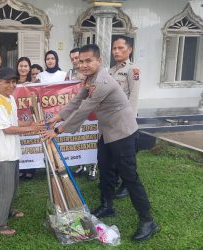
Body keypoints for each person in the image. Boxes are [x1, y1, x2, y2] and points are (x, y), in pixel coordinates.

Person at [42, 44, 158, 241]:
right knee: (105, 169)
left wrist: (57, 130)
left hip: (122, 132)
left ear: (99, 61)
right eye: (81, 61)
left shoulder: (103, 81)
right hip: (107, 132)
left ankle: (148, 221)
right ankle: (107, 206)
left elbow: (84, 109)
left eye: (89, 61)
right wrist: (58, 117)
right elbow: (78, 100)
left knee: (129, 177)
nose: (84, 65)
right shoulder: (90, 78)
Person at [0, 68, 42, 236]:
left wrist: (30, 123)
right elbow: (7, 129)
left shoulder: (10, 98)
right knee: (4, 189)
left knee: (12, 186)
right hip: (4, 153)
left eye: (14, 82)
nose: (11, 85)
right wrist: (31, 129)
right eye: (7, 82)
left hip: (13, 151)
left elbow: (14, 121)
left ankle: (8, 210)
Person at [109, 35, 141, 199]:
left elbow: (133, 98)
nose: (116, 51)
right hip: (112, 121)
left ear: (130, 50)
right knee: (115, 154)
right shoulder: (112, 70)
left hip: (125, 121)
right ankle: (115, 180)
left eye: (120, 48)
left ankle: (127, 185)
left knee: (126, 157)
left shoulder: (132, 70)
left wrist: (129, 122)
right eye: (114, 48)